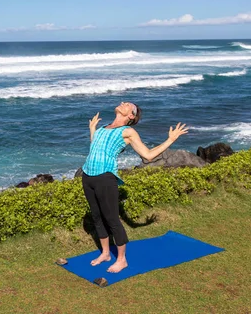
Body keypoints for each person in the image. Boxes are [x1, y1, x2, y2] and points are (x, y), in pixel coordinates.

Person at [81, 101, 188, 273]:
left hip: (105, 178)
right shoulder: (103, 128)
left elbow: (148, 155)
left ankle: (122, 260)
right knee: (97, 217)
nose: (122, 103)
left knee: (112, 219)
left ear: (131, 115)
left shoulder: (128, 132)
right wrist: (92, 129)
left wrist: (170, 140)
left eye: (127, 104)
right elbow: (96, 147)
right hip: (87, 176)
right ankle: (106, 254)